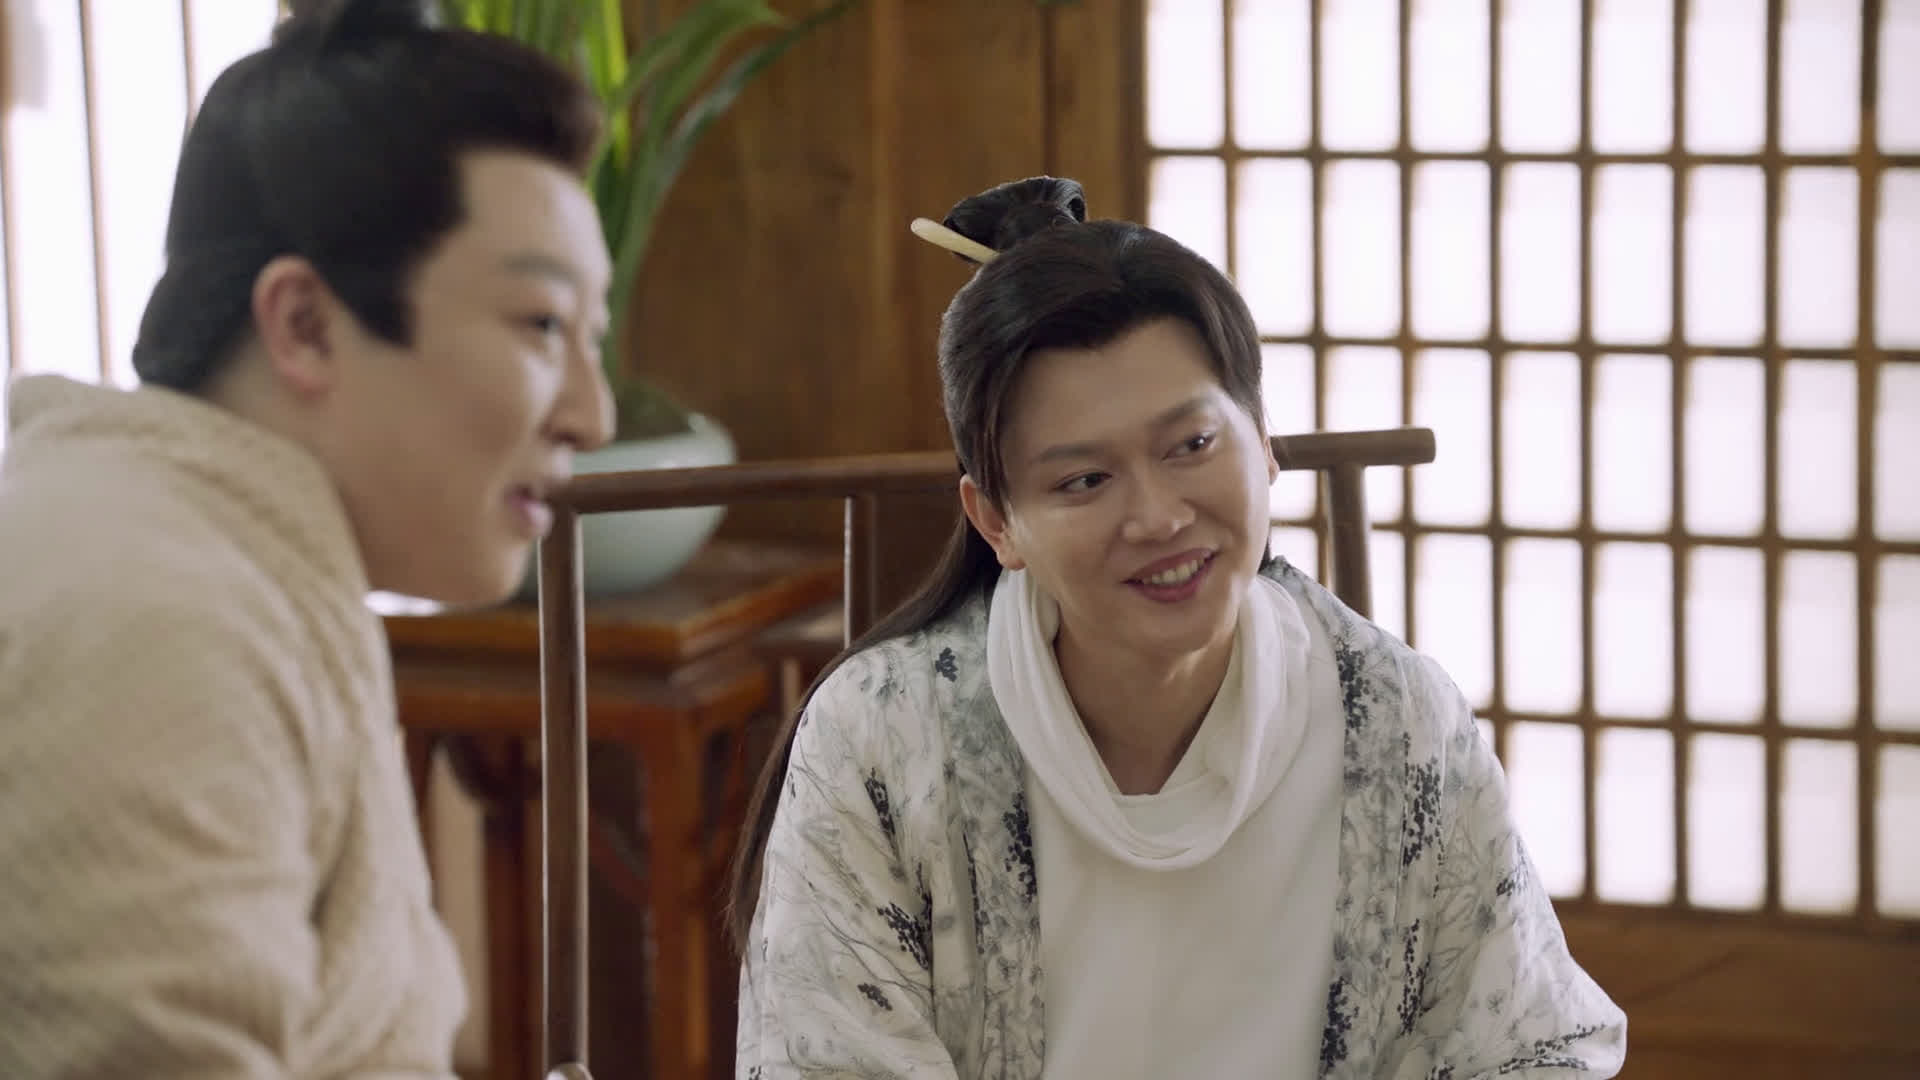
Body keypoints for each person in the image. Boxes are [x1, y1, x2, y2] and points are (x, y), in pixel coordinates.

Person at [729, 176, 1626, 1078]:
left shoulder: (1396, 717)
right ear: (996, 521)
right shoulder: (880, 740)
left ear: (1263, 441)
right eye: (1085, 480)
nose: (1158, 518)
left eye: (1192, 446)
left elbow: (1535, 1048)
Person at [0, 0, 613, 1074]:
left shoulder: (228, 565)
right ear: (306, 324)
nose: (592, 416)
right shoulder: (156, 618)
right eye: (541, 325)